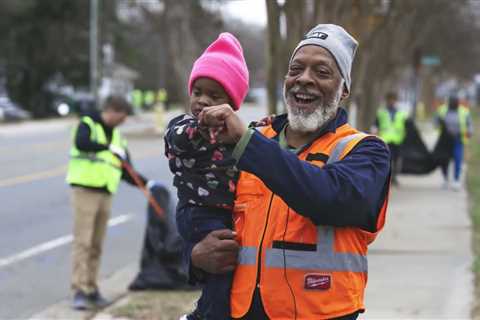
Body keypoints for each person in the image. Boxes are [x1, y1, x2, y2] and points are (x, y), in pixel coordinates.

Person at [192, 24, 391, 319]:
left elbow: (329, 199)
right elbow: (200, 203)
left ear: (344, 89)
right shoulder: (255, 136)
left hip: (322, 313)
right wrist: (194, 256)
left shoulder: (366, 151)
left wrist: (248, 144)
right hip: (239, 311)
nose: (304, 79)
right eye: (296, 69)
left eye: (322, 72)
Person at [163, 33, 249, 320]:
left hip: (224, 213)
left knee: (231, 272)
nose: (203, 101)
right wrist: (200, 127)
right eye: (198, 92)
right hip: (198, 213)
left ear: (231, 104)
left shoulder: (235, 134)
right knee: (222, 272)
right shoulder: (185, 126)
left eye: (214, 95)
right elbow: (177, 140)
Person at [66, 95, 152, 310]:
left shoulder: (118, 138)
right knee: (83, 243)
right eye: (122, 117)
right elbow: (82, 143)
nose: (123, 122)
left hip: (106, 194)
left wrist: (147, 184)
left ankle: (91, 288)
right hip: (86, 191)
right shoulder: (88, 124)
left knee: (96, 245)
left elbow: (126, 170)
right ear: (112, 111)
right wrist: (106, 147)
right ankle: (79, 290)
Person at [435, 94, 473, 190]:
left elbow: (469, 124)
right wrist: (438, 124)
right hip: (445, 140)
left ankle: (456, 180)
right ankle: (445, 179)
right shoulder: (442, 110)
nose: (453, 104)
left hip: (458, 139)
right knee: (444, 159)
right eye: (451, 103)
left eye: (455, 103)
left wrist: (469, 132)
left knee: (457, 159)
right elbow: (435, 122)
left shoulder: (464, 112)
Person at [371, 91, 408, 185]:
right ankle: (387, 178)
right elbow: (376, 125)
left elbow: (406, 126)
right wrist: (374, 134)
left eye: (393, 100)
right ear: (387, 101)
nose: (391, 102)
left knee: (396, 159)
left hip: (397, 140)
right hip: (385, 140)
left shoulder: (401, 113)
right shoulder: (381, 112)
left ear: (395, 101)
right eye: (389, 100)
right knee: (387, 159)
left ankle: (394, 177)